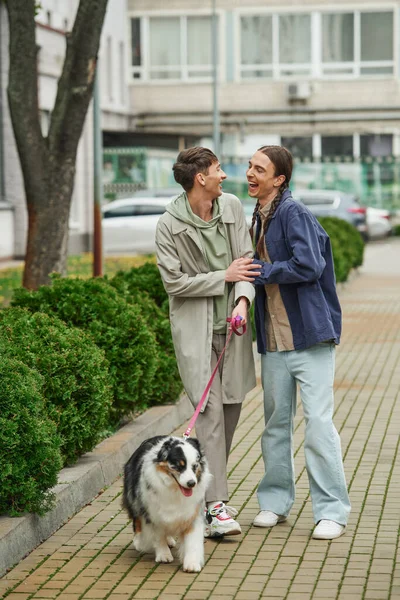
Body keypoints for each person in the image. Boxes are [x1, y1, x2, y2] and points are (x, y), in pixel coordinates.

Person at [155, 146, 260, 538]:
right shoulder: (169, 225)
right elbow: (175, 283)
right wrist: (223, 276)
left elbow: (245, 262)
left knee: (230, 410)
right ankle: (215, 506)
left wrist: (243, 301)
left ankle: (205, 495)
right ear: (200, 177)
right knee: (210, 414)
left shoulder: (231, 207)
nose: (225, 176)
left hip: (232, 328)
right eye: (218, 169)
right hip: (195, 332)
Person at [247, 145, 351, 540]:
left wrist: (264, 271)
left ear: (280, 179)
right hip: (274, 341)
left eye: (260, 169)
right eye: (250, 166)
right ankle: (274, 502)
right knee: (275, 425)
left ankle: (332, 511)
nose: (251, 174)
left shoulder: (293, 213)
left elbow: (310, 266)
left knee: (319, 425)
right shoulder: (257, 216)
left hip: (309, 337)